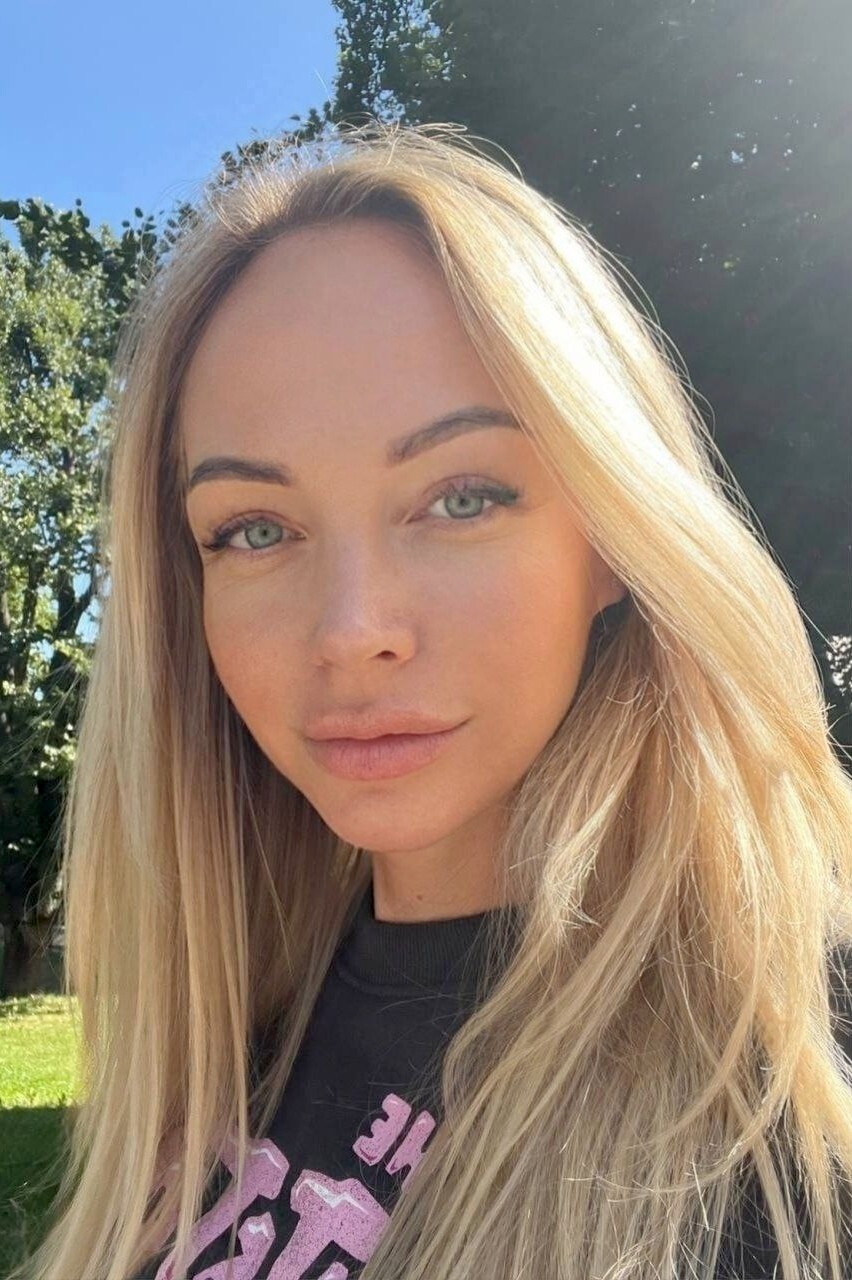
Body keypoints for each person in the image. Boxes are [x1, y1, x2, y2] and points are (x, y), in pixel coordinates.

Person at [11, 120, 852, 1280]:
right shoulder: (228, 1033)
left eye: (462, 497)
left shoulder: (799, 1065)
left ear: (612, 532)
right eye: (254, 528)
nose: (352, 629)